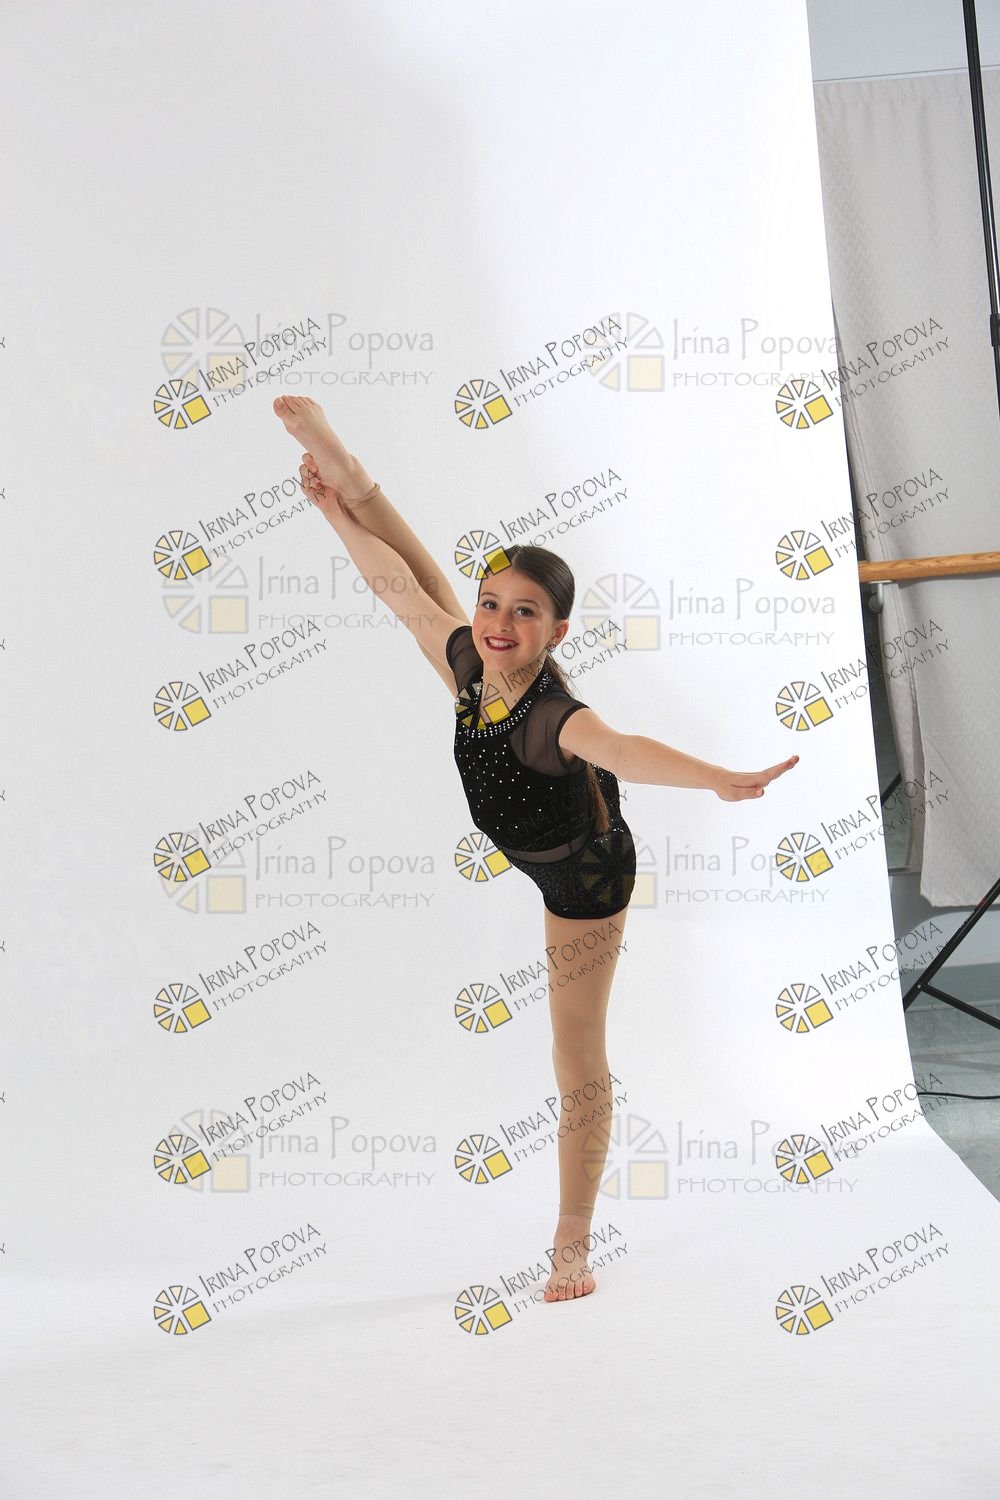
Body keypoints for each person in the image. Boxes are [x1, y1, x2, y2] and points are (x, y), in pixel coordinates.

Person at [273, 394, 799, 1302]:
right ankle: (351, 472)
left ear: (557, 633)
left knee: (575, 1055)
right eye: (492, 604)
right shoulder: (472, 664)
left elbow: (626, 750)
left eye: (525, 613)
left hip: (582, 878)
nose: (498, 623)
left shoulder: (555, 718)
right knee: (426, 599)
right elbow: (400, 590)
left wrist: (717, 777)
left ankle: (572, 1238)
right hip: (534, 842)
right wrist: (333, 510)